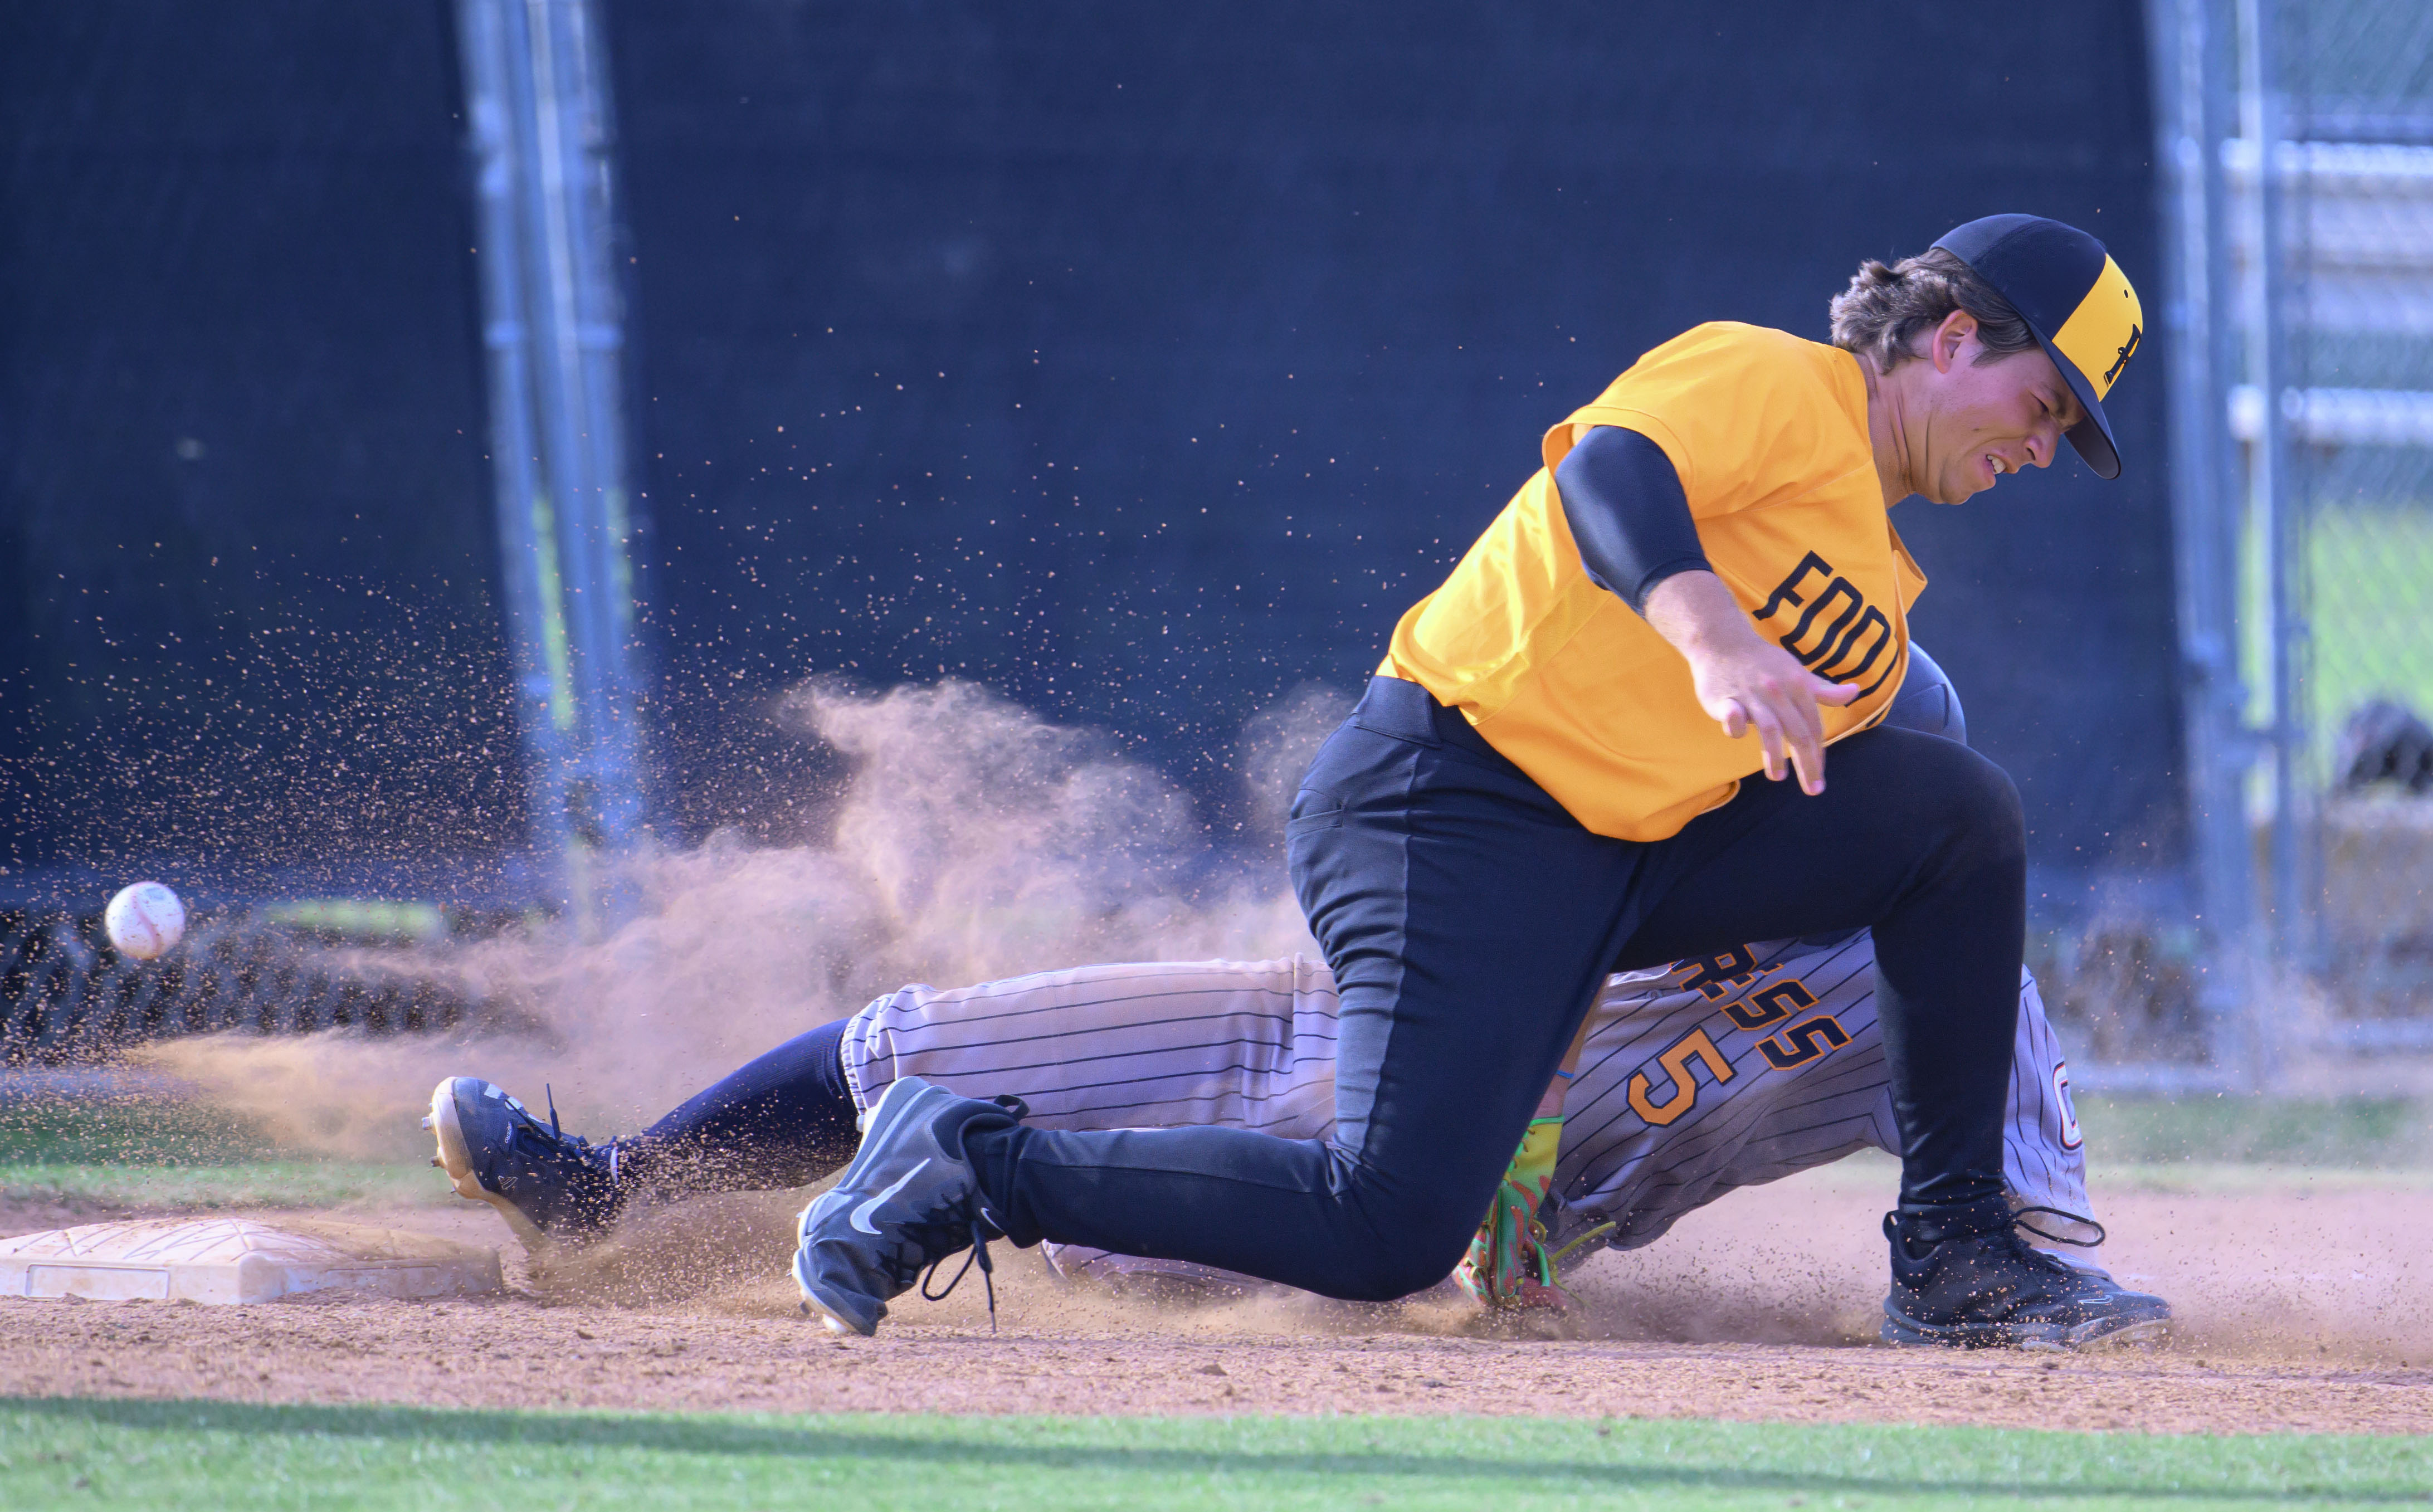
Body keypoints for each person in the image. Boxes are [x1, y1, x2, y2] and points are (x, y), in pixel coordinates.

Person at [779, 213, 2151, 1349]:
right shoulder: (1784, 384)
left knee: (1957, 818)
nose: (2043, 447)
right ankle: (966, 1160)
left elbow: (1637, 856)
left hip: (1605, 866)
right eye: (2045, 404)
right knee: (1382, 1228)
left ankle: (1955, 1250)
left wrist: (1530, 1158)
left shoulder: (1882, 604)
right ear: (1952, 337)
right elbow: (1609, 471)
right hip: (1447, 798)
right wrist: (1710, 629)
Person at [431, 649, 2171, 1349]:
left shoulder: (1951, 975)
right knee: (943, 1035)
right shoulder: (1660, 814)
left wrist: (1540, 1237)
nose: (1781, 786)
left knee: (1195, 1229)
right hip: (1346, 1005)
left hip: (1455, 1164)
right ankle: (612, 1194)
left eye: (1824, 769)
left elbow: (2027, 1216)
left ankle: (958, 1197)